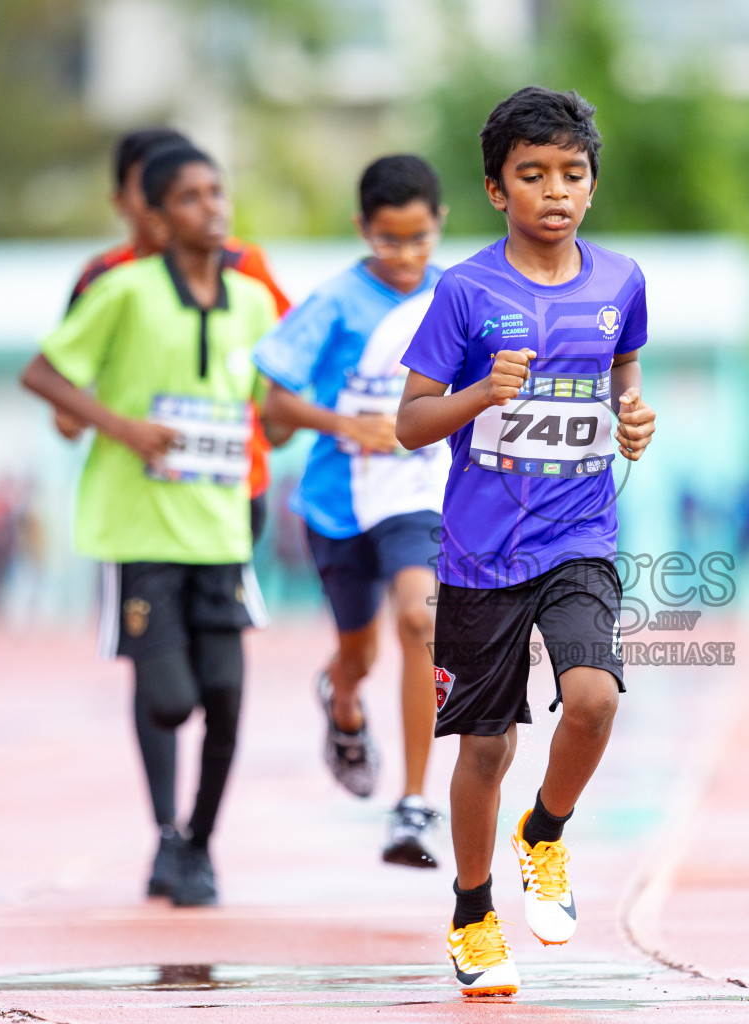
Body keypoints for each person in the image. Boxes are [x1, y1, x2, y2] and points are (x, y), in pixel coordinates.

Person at [396, 87, 657, 997]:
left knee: (593, 699)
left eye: (572, 175)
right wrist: (479, 397)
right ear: (496, 189)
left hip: (581, 531)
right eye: (533, 175)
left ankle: (544, 832)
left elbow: (623, 370)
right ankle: (473, 912)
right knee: (485, 749)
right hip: (479, 552)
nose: (556, 191)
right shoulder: (465, 291)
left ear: (591, 185)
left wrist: (630, 415)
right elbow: (409, 421)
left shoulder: (620, 281)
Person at [20, 143, 278, 907]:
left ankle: (196, 845)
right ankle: (165, 828)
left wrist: (342, 423)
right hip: (137, 530)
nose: (213, 207)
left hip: (221, 529)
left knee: (227, 698)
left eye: (218, 191)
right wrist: (119, 426)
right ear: (155, 216)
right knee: (170, 698)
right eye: (193, 197)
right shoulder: (122, 289)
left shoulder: (255, 299)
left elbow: (272, 401)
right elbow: (43, 372)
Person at [252, 155, 450, 868]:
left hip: (418, 496)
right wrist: (346, 423)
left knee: (421, 618)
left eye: (419, 239)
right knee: (360, 653)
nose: (404, 256)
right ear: (363, 229)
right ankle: (340, 702)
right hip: (338, 505)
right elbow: (273, 406)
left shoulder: (453, 300)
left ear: (441, 225)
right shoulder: (333, 302)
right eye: (388, 240)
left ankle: (415, 804)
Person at [59, 127, 291, 541]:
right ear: (125, 202)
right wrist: (119, 422)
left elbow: (287, 369)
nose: (201, 206)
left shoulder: (245, 270)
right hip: (140, 507)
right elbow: (65, 412)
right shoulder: (108, 281)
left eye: (209, 191)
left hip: (232, 491)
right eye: (154, 187)